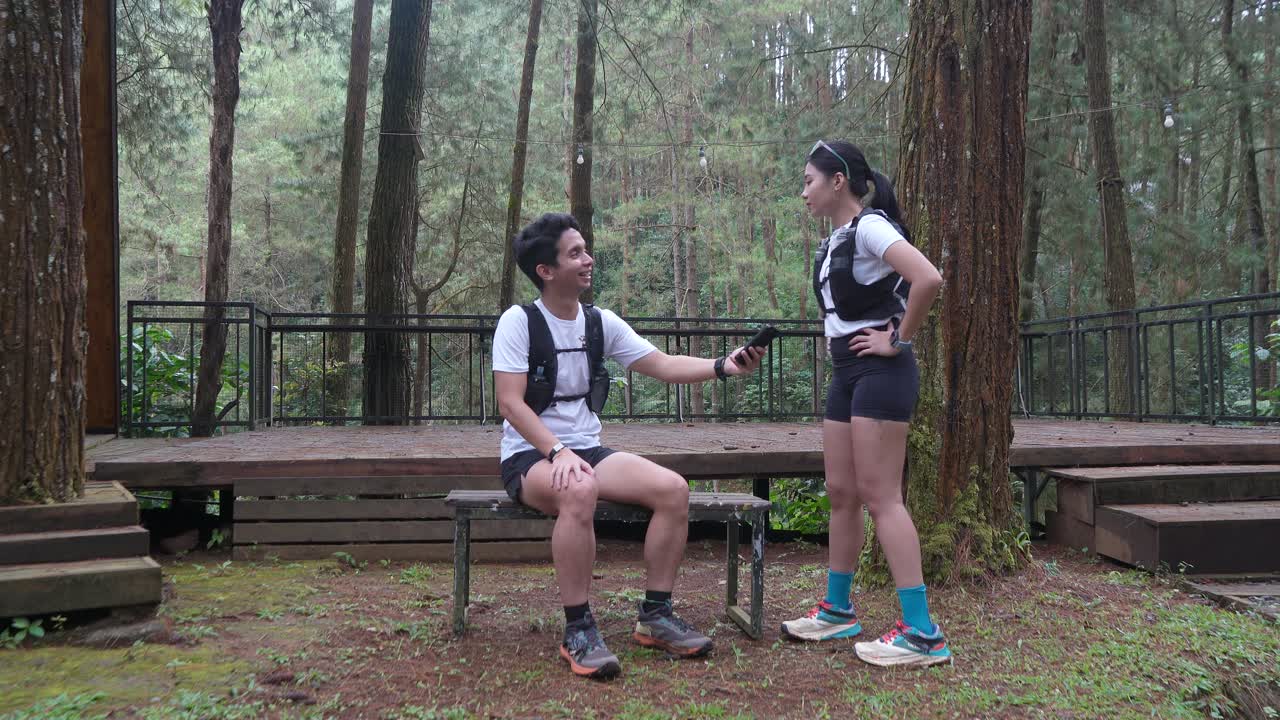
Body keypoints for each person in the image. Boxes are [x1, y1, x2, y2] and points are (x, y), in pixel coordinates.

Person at [492, 212, 765, 680]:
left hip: (587, 450)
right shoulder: (519, 323)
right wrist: (558, 452)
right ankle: (578, 628)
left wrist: (724, 366)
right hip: (531, 454)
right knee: (579, 489)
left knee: (673, 490)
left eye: (585, 250)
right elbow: (511, 403)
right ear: (546, 270)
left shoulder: (599, 322)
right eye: (575, 253)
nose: (588, 259)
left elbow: (661, 363)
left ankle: (655, 616)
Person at [778, 140, 950, 668]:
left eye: (809, 180)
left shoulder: (871, 227)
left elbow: (929, 279)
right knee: (841, 492)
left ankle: (922, 634)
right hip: (846, 371)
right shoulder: (833, 242)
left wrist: (898, 339)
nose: (803, 191)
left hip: (882, 370)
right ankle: (838, 609)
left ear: (837, 181)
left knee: (881, 498)